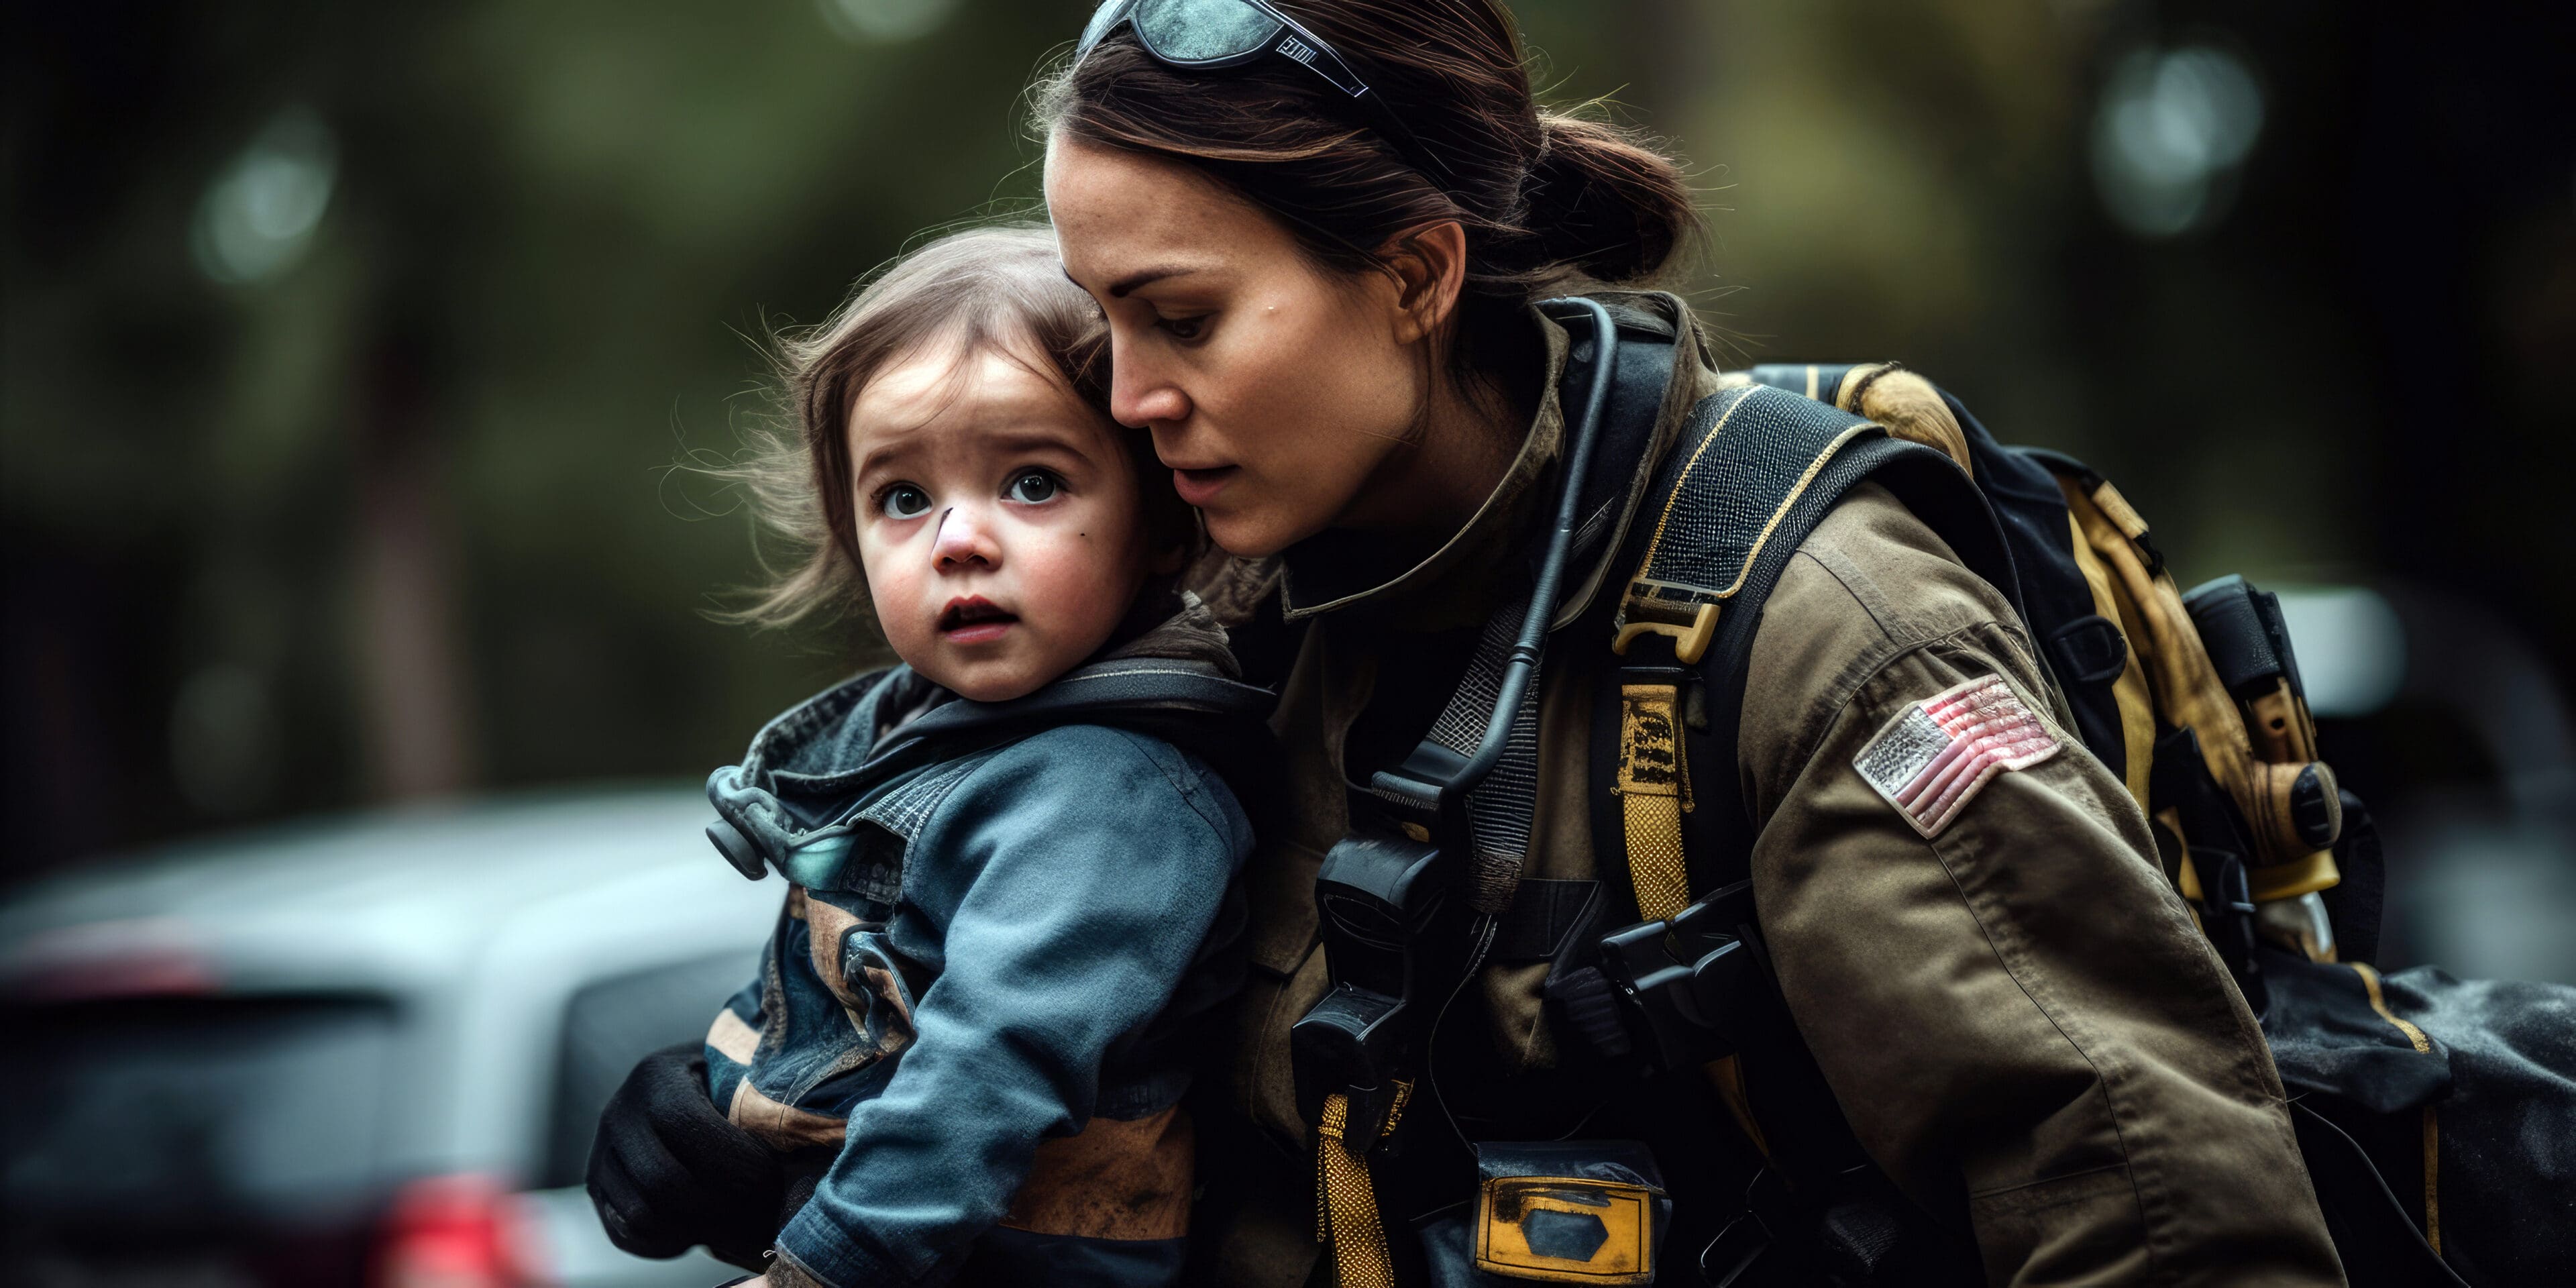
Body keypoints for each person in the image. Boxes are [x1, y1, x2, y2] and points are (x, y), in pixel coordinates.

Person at [593, 3, 2347, 1285]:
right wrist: (761, 1121)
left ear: (1419, 277)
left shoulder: (1818, 627)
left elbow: (2158, 1210)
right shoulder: (1232, 638)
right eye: (1104, 322)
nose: (1128, 400)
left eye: (1180, 316)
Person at [635, 224, 1269, 1288]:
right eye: (902, 497)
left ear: (1161, 526)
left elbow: (987, 1069)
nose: (957, 539)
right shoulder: (911, 746)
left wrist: (820, 1270)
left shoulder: (1114, 797)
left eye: (1032, 483)